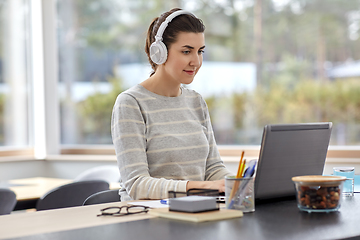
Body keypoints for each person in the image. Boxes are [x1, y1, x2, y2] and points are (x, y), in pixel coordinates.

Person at [111, 8, 233, 201]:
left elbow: (213, 169)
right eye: (186, 51)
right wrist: (203, 187)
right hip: (146, 219)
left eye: (200, 51)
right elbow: (137, 184)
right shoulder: (131, 103)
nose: (196, 61)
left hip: (195, 210)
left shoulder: (196, 101)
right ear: (159, 52)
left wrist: (238, 184)